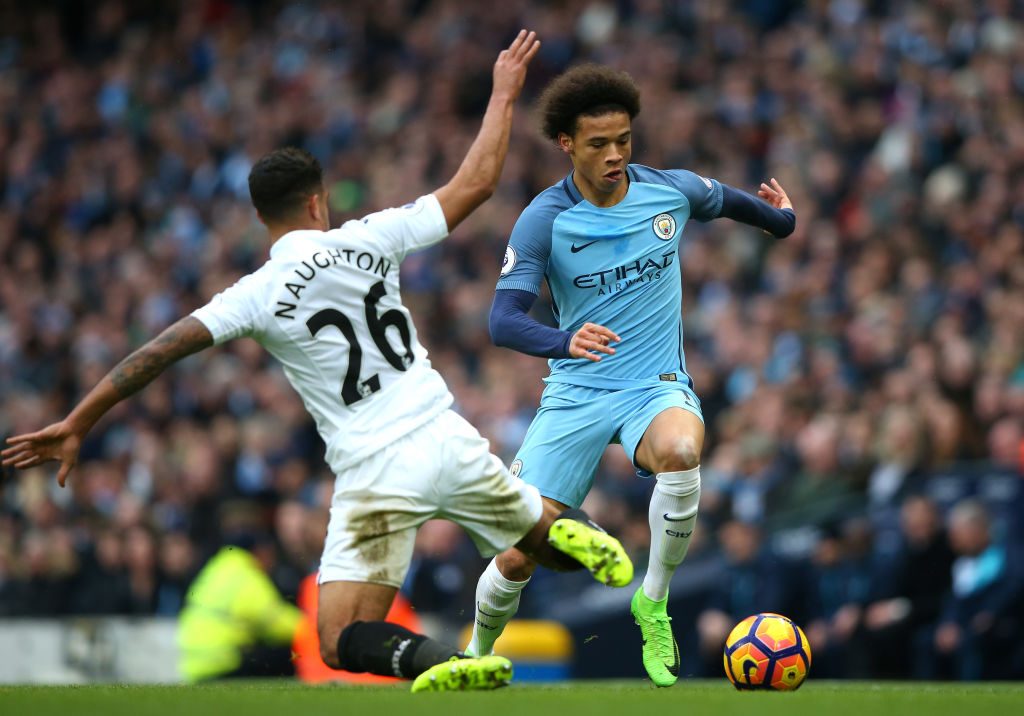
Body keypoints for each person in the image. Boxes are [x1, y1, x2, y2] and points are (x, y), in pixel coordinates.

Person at [2, 32, 634, 693]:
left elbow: (158, 352)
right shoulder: (370, 237)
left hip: (370, 471)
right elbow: (476, 183)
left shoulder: (255, 293)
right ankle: (566, 529)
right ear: (317, 201)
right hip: (443, 434)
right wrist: (504, 92)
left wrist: (79, 420)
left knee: (337, 639)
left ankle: (443, 661)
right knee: (541, 543)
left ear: (262, 217)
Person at [466, 64, 796, 687]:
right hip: (576, 392)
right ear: (566, 143)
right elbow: (503, 321)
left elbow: (748, 210)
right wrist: (564, 339)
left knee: (682, 449)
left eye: (623, 139)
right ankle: (476, 651)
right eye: (598, 143)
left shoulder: (671, 191)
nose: (615, 154)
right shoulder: (545, 219)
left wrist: (782, 217)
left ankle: (654, 599)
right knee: (520, 551)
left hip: (654, 384)